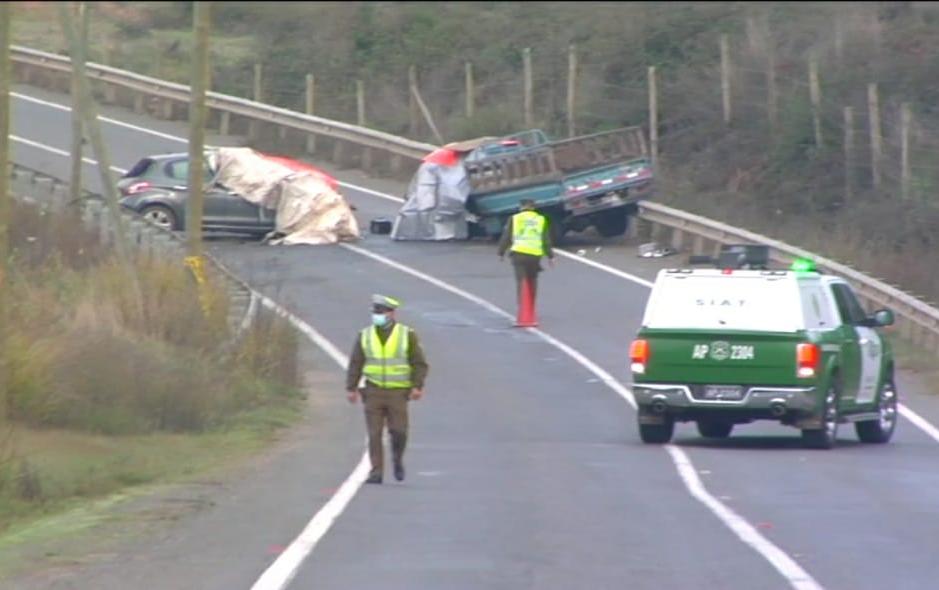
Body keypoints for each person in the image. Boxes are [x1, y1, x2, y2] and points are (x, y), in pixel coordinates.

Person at [346, 294, 429, 484]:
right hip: (373, 390)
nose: (377, 315)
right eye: (375, 312)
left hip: (398, 393)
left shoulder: (406, 335)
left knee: (399, 431)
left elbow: (419, 363)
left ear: (392, 313)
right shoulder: (365, 335)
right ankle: (376, 471)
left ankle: (397, 459)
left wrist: (417, 386)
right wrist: (351, 387)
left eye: (381, 312)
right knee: (374, 434)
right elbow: (356, 362)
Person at [497, 199, 556, 305]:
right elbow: (545, 240)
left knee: (521, 281)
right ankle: (531, 305)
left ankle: (523, 307)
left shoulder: (514, 218)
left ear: (521, 207)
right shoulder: (541, 219)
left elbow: (506, 237)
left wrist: (501, 252)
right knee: (532, 280)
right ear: (533, 208)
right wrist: (551, 256)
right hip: (534, 255)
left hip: (518, 254)